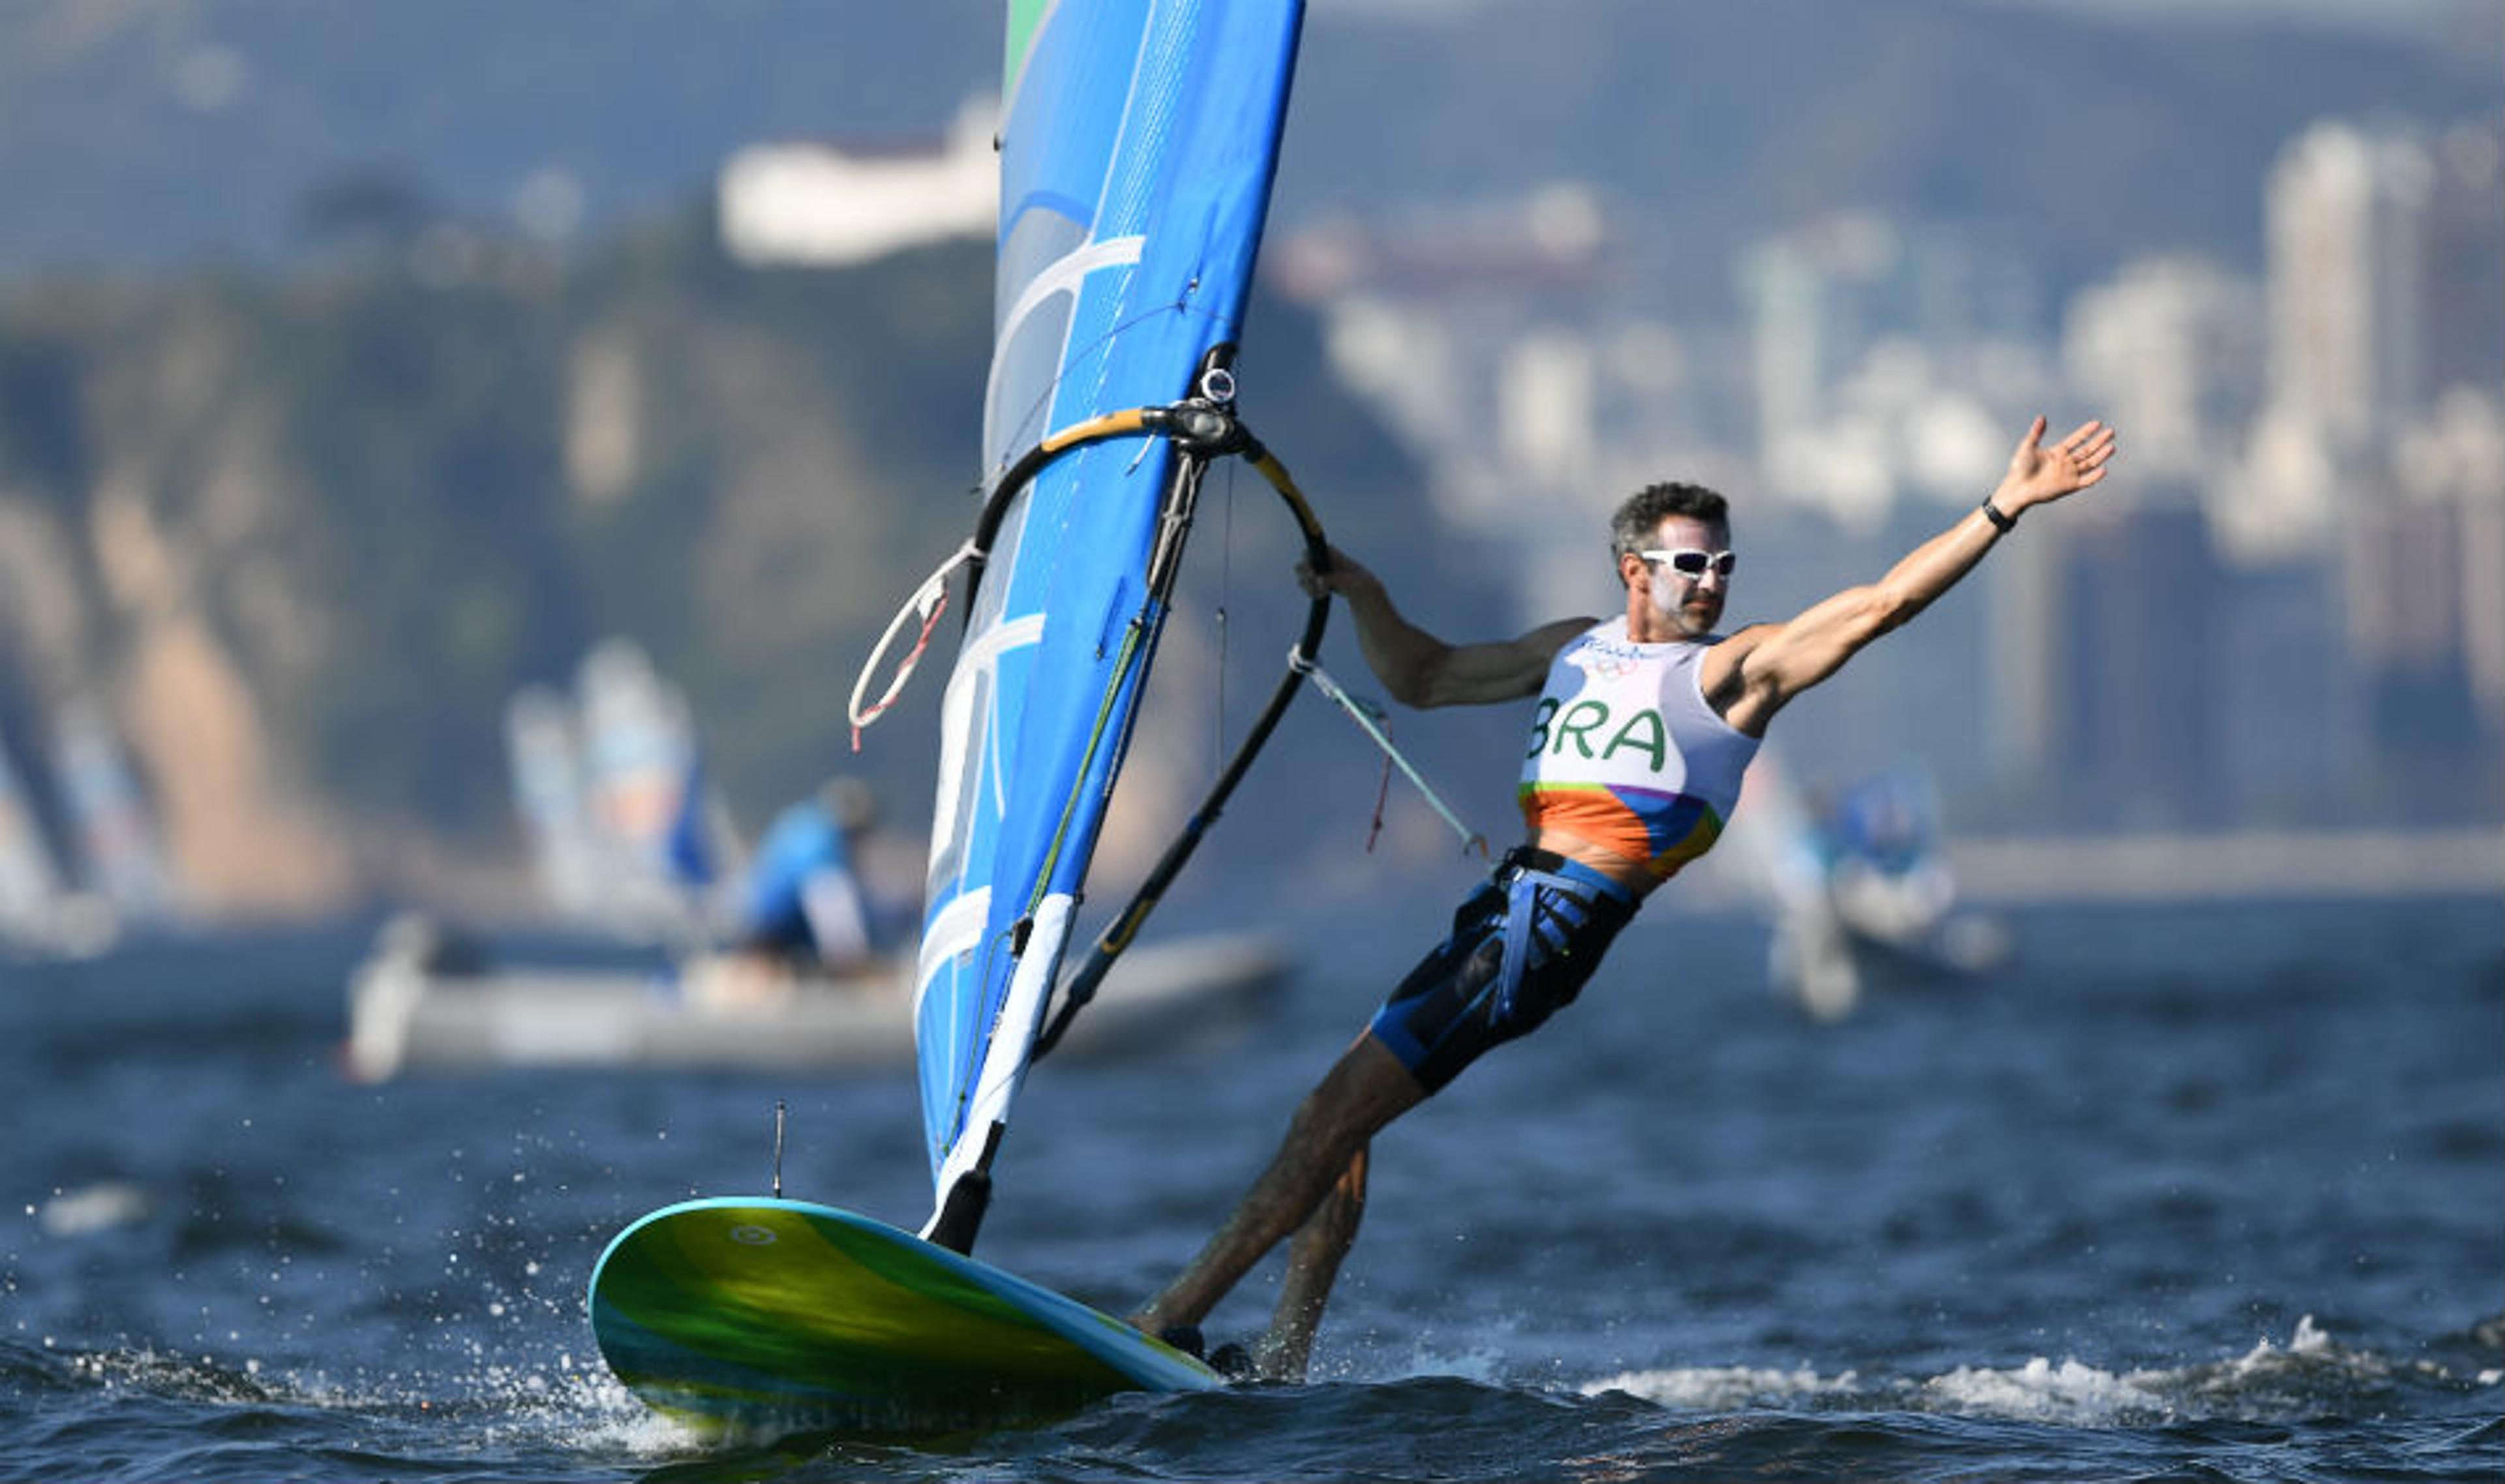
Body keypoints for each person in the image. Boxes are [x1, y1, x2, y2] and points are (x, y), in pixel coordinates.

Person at [1129, 415, 2119, 1380]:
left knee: (1325, 1118)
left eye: (1724, 564)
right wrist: (1366, 592)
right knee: (1340, 1121)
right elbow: (1424, 676)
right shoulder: (1575, 647)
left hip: (1550, 926)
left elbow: (1881, 602)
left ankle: (1170, 1318)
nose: (1713, 581)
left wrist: (2003, 507)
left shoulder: (1735, 674)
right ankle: (1287, 1353)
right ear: (1634, 570)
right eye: (1692, 564)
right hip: (1501, 907)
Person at [731, 777, 882, 975]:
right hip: (774, 936)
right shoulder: (823, 845)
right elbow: (831, 906)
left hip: (754, 923)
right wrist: (854, 962)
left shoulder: (804, 820)